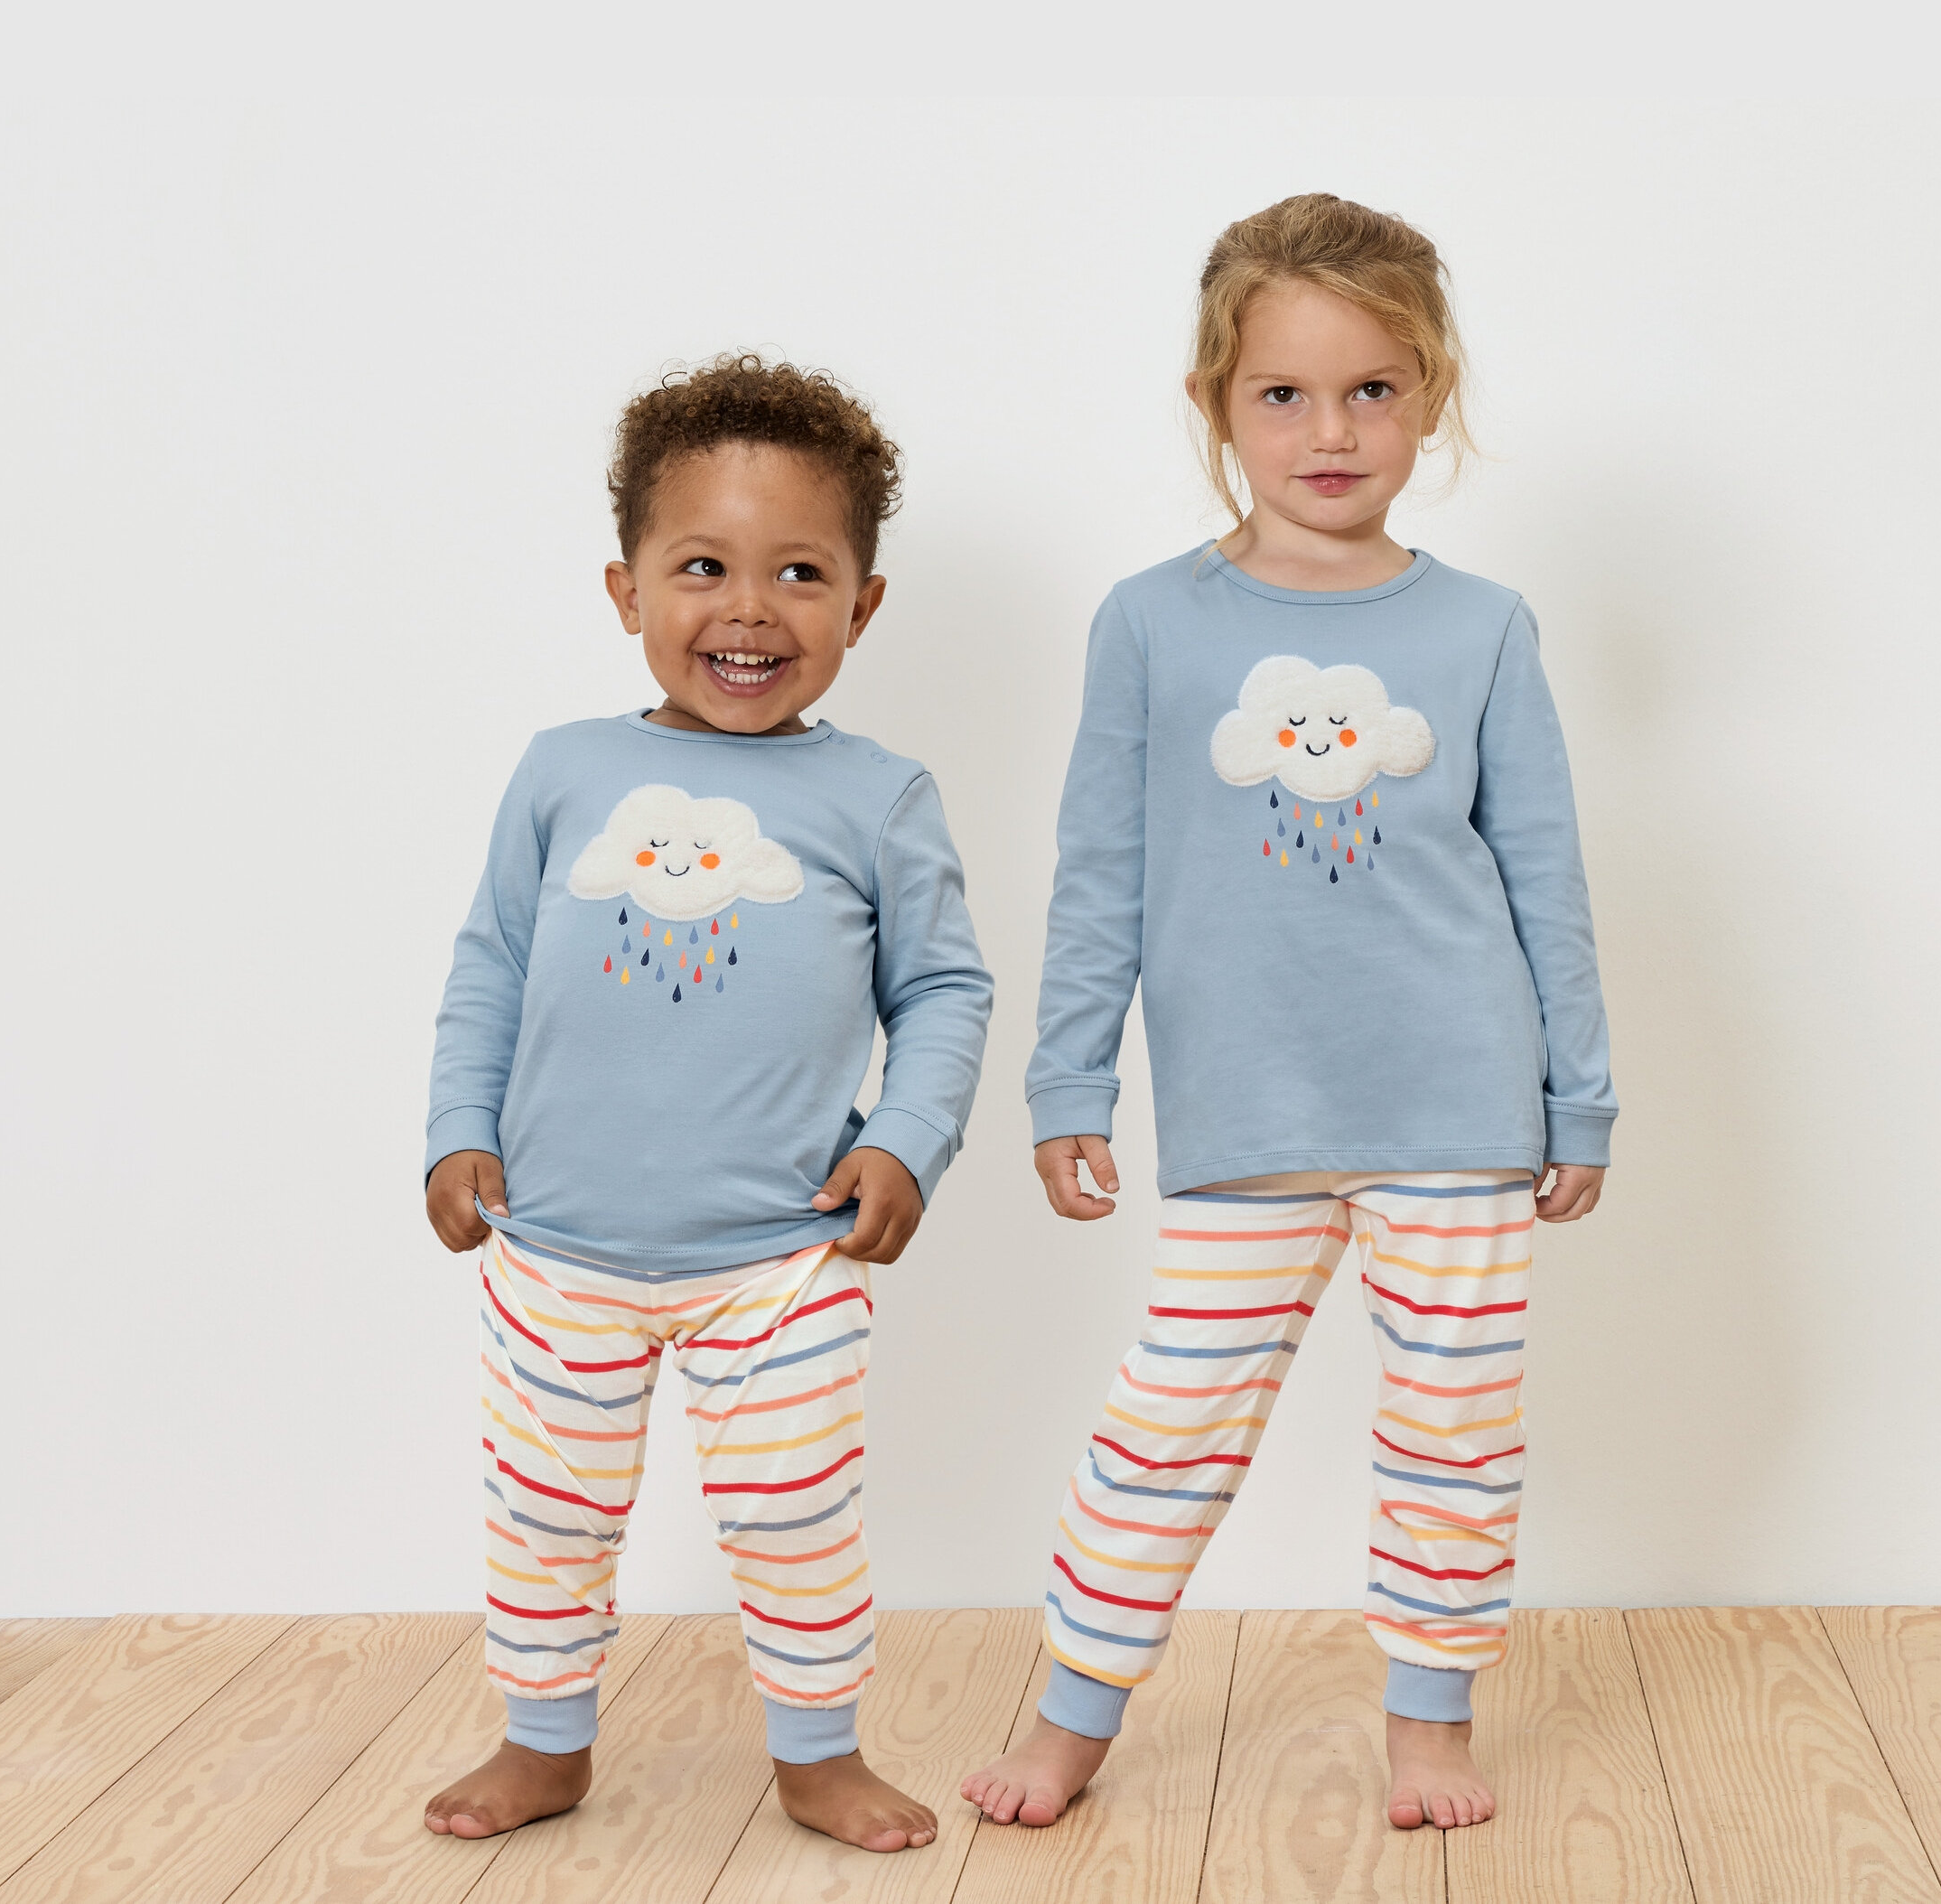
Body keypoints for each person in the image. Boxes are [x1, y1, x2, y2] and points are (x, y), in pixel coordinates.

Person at [963, 194, 1616, 1834]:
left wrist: (1580, 1100)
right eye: (1285, 394)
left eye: (1375, 390)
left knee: (1456, 1429)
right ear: (1216, 404)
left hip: (1461, 1101)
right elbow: (1097, 868)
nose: (1332, 432)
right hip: (1248, 1104)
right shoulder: (1151, 621)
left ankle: (1430, 1721)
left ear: (1433, 395)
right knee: (1173, 1419)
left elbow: (1545, 877)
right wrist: (1066, 1084)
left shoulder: (1480, 630)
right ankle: (1071, 1711)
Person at [419, 355, 992, 1854]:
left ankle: (817, 1755)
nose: (750, 608)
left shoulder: (880, 798)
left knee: (794, 1525)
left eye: (801, 572)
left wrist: (903, 1142)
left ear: (862, 607)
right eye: (704, 567)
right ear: (625, 590)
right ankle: (543, 1742)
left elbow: (944, 993)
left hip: (781, 1258)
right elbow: (488, 964)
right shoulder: (563, 773)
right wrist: (456, 1131)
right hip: (556, 1247)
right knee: (548, 1523)